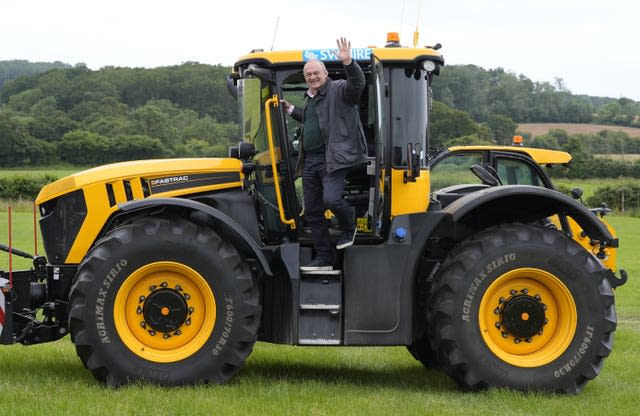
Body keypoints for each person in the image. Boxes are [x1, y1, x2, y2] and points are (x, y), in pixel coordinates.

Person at [283, 37, 368, 272]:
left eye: (315, 73)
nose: (312, 77)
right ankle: (323, 257)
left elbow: (357, 83)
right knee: (312, 210)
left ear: (325, 73)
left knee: (331, 200)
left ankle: (349, 226)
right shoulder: (311, 99)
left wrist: (348, 62)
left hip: (333, 159)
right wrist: (290, 109)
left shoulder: (339, 89)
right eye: (308, 74)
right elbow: (312, 120)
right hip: (310, 161)